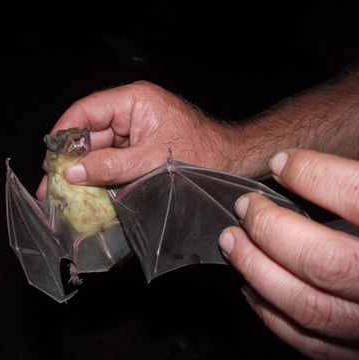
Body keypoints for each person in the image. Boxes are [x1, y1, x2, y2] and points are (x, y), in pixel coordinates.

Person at [37, 67, 359, 359]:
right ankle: (78, 261)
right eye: (70, 144)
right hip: (83, 228)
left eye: (83, 140)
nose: (81, 144)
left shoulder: (95, 170)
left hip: (111, 221)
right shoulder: (56, 182)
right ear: (55, 151)